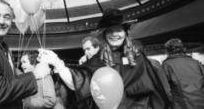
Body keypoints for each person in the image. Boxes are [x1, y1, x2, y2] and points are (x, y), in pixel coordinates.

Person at [38, 8, 171, 109]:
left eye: (119, 30)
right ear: (104, 34)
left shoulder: (138, 57)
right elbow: (79, 82)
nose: (114, 34)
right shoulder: (98, 59)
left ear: (125, 33)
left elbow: (154, 92)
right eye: (110, 31)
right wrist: (57, 62)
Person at [162, 38, 204, 109]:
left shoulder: (167, 65)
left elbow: (165, 88)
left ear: (167, 51)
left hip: (182, 104)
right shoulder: (195, 62)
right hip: (201, 101)